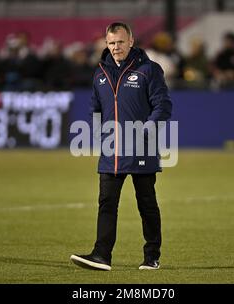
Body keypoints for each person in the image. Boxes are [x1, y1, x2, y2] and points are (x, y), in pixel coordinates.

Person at [70, 22, 172, 271]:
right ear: (107, 44)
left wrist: (148, 130)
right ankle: (101, 255)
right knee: (106, 202)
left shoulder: (149, 70)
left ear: (131, 41)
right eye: (111, 43)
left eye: (120, 42)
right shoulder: (100, 73)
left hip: (141, 148)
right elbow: (95, 108)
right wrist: (97, 133)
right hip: (111, 150)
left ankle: (151, 257)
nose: (116, 47)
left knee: (146, 203)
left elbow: (163, 105)